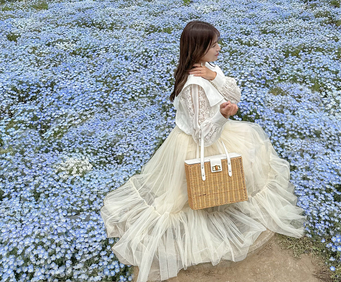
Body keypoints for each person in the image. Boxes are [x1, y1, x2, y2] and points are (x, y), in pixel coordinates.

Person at [101, 21, 304, 282]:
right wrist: (221, 115)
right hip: (198, 144)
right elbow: (202, 136)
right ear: (199, 48)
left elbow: (236, 93)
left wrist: (216, 77)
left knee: (221, 184)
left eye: (218, 42)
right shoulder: (193, 86)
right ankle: (204, 226)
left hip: (217, 136)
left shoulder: (207, 69)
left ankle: (217, 206)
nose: (219, 48)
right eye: (214, 44)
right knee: (193, 196)